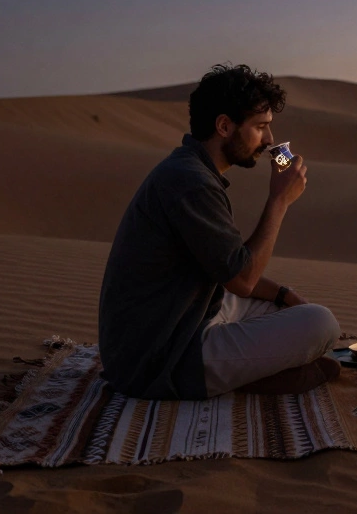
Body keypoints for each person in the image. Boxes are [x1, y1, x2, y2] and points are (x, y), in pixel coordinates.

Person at [98, 64, 341, 400]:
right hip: (161, 353)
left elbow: (226, 269)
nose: (269, 140)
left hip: (190, 313)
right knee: (321, 324)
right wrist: (279, 200)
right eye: (260, 128)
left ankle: (251, 369)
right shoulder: (191, 183)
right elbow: (241, 280)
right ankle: (236, 379)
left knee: (292, 313)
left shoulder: (191, 169)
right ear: (225, 126)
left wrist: (284, 295)